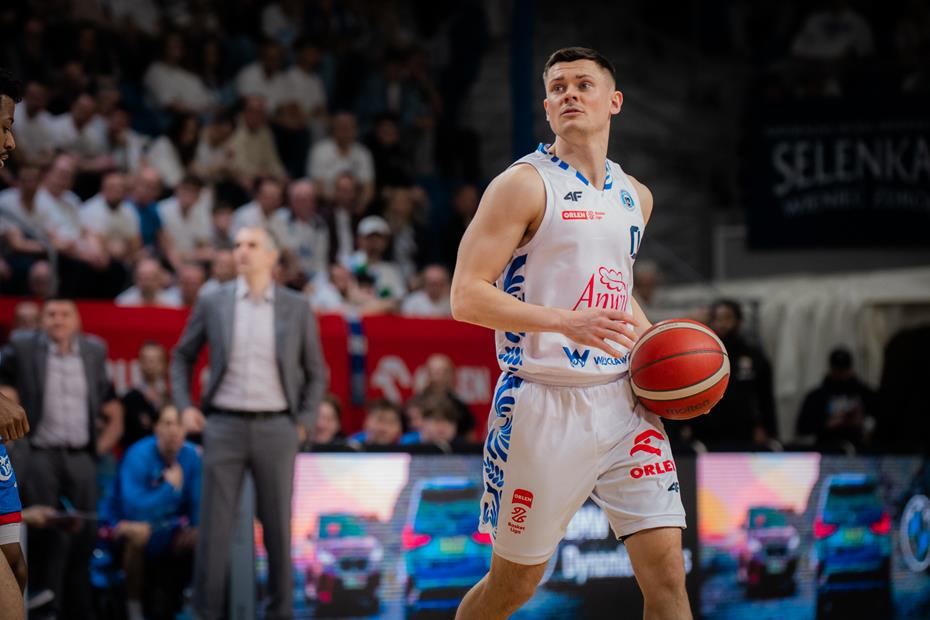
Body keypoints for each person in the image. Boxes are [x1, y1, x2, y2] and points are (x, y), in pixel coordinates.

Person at [450, 48, 690, 619]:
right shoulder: (522, 185)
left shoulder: (636, 195)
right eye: (558, 87)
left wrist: (665, 353)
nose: (570, 95)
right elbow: (466, 296)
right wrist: (564, 320)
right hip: (543, 401)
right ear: (546, 107)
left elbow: (613, 286)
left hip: (624, 404)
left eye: (583, 84)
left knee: (667, 577)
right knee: (513, 587)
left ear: (614, 102)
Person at [171, 225, 326, 620]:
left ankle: (279, 613)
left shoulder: (296, 306)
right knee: (214, 531)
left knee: (278, 531)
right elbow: (182, 355)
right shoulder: (214, 300)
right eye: (237, 244)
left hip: (278, 427)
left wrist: (305, 421)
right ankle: (205, 613)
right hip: (223, 425)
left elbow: (316, 372)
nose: (242, 251)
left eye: (252, 245)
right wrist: (185, 405)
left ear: (271, 256)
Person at [0, 298, 123, 619]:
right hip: (42, 454)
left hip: (82, 456)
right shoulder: (24, 347)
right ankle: (47, 607)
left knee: (85, 536)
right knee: (47, 531)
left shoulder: (94, 351)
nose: (58, 320)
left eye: (65, 314)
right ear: (42, 321)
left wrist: (98, 448)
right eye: (51, 314)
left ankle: (79, 608)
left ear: (78, 320)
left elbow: (112, 407)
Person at [102, 403, 201, 620]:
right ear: (156, 429)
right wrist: (169, 489)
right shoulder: (137, 454)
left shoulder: (192, 457)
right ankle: (134, 609)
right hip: (126, 526)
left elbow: (197, 506)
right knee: (139, 533)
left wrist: (196, 528)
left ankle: (192, 607)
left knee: (202, 537)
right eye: (167, 423)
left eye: (178, 424)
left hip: (168, 529)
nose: (173, 431)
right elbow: (135, 510)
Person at [686, 299, 777, 448]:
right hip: (707, 428)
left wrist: (766, 428)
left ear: (739, 321)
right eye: (717, 318)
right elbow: (689, 391)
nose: (722, 324)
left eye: (727, 318)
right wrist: (685, 424)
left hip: (743, 429)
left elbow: (765, 396)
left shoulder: (752, 355)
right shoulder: (700, 354)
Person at [796, 347, 878, 450]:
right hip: (826, 448)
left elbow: (881, 421)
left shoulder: (866, 394)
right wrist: (827, 424)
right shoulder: (816, 396)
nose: (841, 374)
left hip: (861, 449)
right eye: (838, 370)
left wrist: (863, 423)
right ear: (831, 369)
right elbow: (802, 428)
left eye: (844, 370)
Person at [120, 342, 170, 451]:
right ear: (140, 363)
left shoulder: (171, 399)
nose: (150, 364)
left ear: (164, 364)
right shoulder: (130, 399)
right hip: (138, 455)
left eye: (155, 360)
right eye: (146, 360)